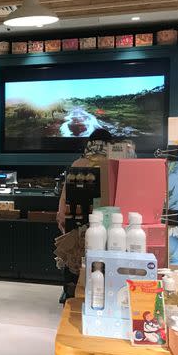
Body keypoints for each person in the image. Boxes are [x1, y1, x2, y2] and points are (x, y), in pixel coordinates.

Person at [57, 128, 115, 302]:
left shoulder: (78, 163)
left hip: (76, 221)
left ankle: (71, 293)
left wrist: (61, 217)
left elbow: (65, 196)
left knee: (75, 261)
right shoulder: (114, 163)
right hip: (107, 224)